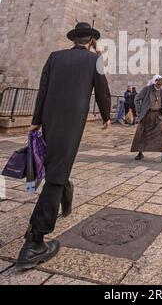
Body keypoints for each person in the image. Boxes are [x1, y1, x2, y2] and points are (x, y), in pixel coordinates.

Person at [15, 23, 111, 271]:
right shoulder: (95, 59)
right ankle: (35, 241)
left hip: (49, 120)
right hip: (72, 123)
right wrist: (106, 116)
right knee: (57, 174)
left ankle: (66, 191)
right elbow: (103, 91)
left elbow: (42, 91)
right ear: (91, 40)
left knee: (58, 163)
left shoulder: (55, 57)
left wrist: (36, 121)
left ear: (74, 39)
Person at [131, 75, 162, 162]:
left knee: (161, 132)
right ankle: (140, 153)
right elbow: (137, 98)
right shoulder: (147, 89)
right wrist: (139, 111)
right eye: (158, 84)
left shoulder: (161, 91)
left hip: (157, 116)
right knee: (143, 135)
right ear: (155, 82)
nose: (160, 85)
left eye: (161, 84)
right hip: (147, 116)